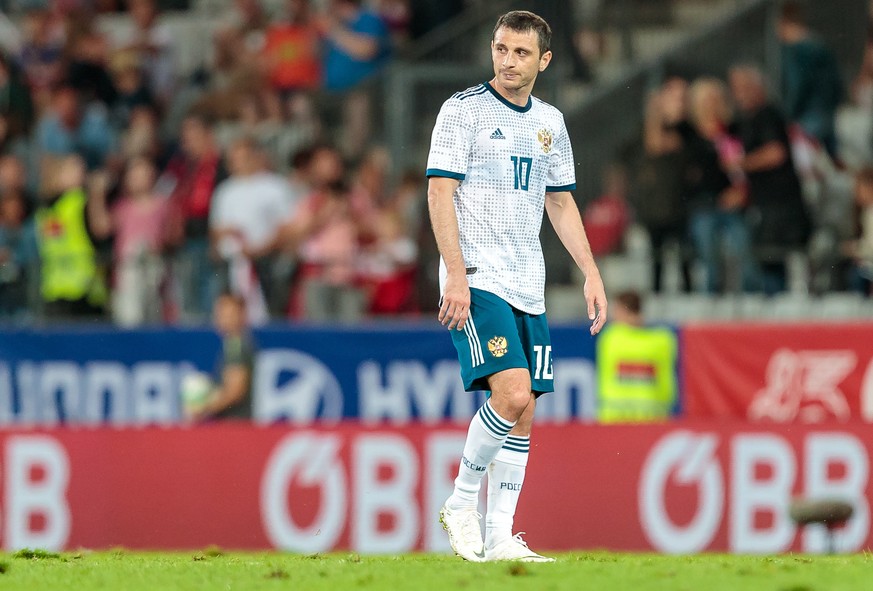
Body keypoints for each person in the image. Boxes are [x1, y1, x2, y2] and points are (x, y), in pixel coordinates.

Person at [426, 10, 607, 563]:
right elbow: (438, 193)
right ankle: (460, 503)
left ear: (544, 60)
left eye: (521, 53)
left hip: (528, 279)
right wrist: (455, 274)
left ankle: (501, 535)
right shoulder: (463, 111)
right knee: (509, 394)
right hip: (477, 276)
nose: (508, 61)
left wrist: (591, 270)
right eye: (501, 49)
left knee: (526, 409)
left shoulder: (550, 121)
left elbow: (560, 200)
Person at [728, 64, 810, 294]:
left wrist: (741, 164)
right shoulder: (745, 120)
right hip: (763, 201)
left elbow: (775, 153)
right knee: (765, 258)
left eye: (744, 87)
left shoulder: (768, 114)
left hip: (780, 202)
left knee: (774, 257)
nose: (739, 94)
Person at [595, 290, 677, 423]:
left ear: (622, 310)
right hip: (654, 417)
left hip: (615, 418)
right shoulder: (664, 341)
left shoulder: (611, 338)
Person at [777, 0, 843, 158]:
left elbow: (797, 85)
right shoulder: (818, 43)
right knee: (835, 157)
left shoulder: (796, 50)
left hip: (809, 115)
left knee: (814, 165)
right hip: (828, 110)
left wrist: (790, 115)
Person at [185, 292, 256, 421]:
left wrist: (202, 409)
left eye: (228, 314)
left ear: (241, 315)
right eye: (220, 313)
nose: (222, 318)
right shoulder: (233, 343)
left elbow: (235, 390)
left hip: (235, 425)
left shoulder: (236, 346)